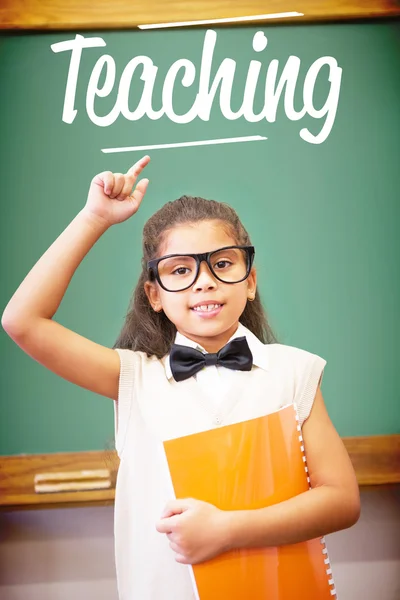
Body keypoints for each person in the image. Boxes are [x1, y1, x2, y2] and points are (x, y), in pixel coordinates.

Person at [2, 156, 360, 600]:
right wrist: (94, 217)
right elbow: (23, 321)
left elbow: (341, 500)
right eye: (180, 270)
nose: (204, 282)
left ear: (250, 280)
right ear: (154, 294)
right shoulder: (132, 377)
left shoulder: (295, 370)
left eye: (223, 265)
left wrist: (227, 530)